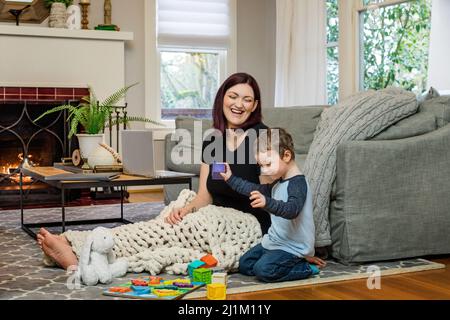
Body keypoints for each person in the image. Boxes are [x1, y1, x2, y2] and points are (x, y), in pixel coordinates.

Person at [37, 72, 272, 269]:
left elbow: (269, 194)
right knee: (165, 227)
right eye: (233, 96)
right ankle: (83, 247)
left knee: (172, 234)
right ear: (222, 98)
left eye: (247, 99)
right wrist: (185, 209)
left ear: (255, 105)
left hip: (245, 225)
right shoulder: (213, 139)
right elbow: (204, 195)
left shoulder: (263, 137)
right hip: (211, 215)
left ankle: (79, 247)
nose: (239, 104)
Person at [219, 128, 326, 282]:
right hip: (275, 242)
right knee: (245, 264)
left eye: (268, 164)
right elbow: (252, 189)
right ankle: (287, 262)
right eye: (261, 166)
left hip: (293, 247)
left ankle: (306, 267)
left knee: (264, 270)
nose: (264, 170)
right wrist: (230, 178)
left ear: (286, 155)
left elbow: (292, 210)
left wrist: (267, 202)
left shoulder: (298, 183)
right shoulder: (278, 183)